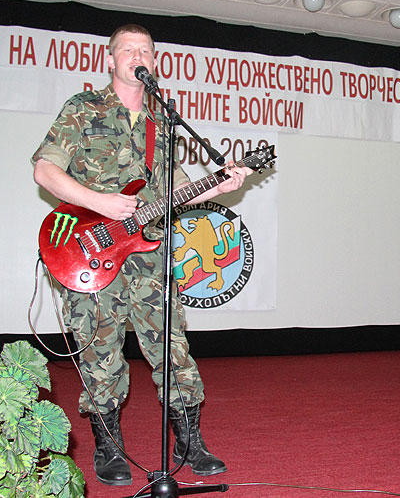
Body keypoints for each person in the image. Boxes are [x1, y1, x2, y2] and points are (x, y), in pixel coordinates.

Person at [32, 24, 252, 485]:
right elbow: (45, 170)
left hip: (148, 257)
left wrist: (221, 183)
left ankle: (189, 440)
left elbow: (173, 194)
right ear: (110, 60)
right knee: (100, 352)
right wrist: (101, 203)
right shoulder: (83, 108)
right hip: (88, 247)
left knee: (172, 347)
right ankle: (109, 448)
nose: (138, 55)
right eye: (128, 49)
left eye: (146, 50)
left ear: (155, 62)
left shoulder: (161, 120)